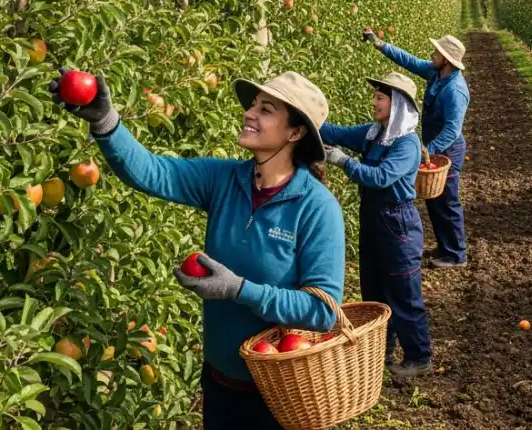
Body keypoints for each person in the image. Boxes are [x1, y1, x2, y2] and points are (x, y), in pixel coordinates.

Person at [48, 68, 344, 430]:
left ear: (295, 133)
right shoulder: (224, 180)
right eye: (253, 105)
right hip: (220, 379)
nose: (250, 113)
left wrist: (238, 290)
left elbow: (322, 311)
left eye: (266, 110)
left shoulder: (316, 207)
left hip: (282, 394)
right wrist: (106, 122)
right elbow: (153, 172)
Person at [320, 72, 433, 378]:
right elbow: (338, 132)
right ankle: (381, 349)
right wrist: (304, 116)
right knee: (374, 289)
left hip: (397, 222)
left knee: (403, 292)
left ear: (397, 104)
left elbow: (381, 177)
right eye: (376, 96)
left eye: (381, 97)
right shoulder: (374, 134)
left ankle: (419, 356)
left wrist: (343, 161)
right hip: (373, 217)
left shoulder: (406, 144)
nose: (375, 102)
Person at [364, 30, 471, 269]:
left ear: (446, 59)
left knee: (447, 201)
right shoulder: (436, 73)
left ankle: (456, 254)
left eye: (437, 52)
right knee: (434, 200)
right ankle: (445, 246)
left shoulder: (455, 91)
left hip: (447, 150)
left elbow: (452, 130)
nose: (432, 54)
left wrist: (427, 149)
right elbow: (409, 61)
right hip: (432, 147)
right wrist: (380, 45)